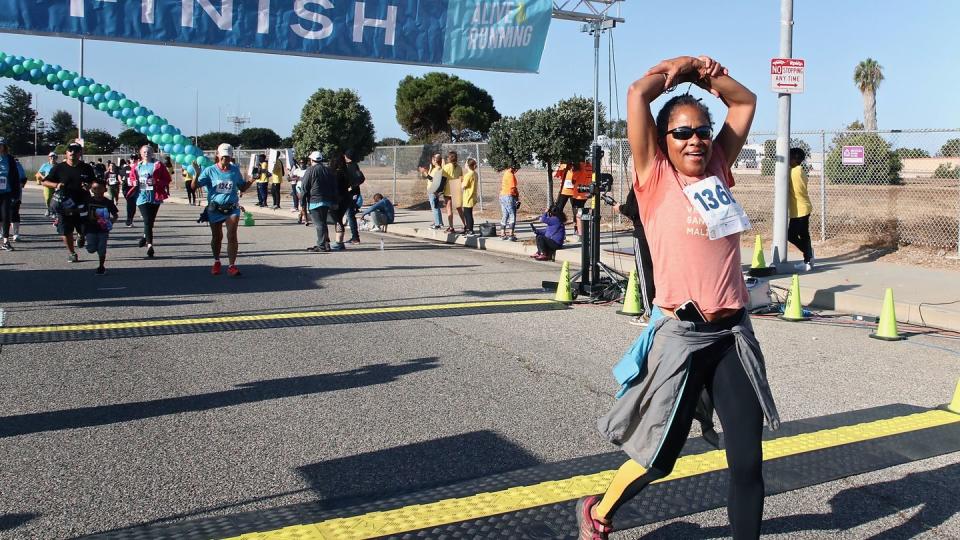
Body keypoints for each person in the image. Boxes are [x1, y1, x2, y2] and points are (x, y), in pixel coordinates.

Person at [577, 56, 780, 540]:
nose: (695, 140)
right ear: (663, 140)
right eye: (682, 132)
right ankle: (599, 512)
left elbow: (745, 100)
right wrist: (680, 67)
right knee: (659, 458)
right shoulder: (654, 177)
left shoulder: (719, 167)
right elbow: (637, 94)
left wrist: (706, 77)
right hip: (681, 336)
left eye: (702, 130)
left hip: (732, 334)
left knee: (747, 462)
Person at [194, 143, 250, 276]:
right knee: (217, 237)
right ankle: (217, 261)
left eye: (228, 157)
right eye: (223, 156)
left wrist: (252, 179)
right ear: (218, 155)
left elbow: (242, 187)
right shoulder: (210, 171)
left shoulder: (235, 170)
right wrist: (197, 174)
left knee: (232, 235)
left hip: (232, 208)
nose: (226, 159)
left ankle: (232, 266)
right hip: (215, 209)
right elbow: (194, 186)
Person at [41, 140, 96, 262]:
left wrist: (89, 186)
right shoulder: (59, 168)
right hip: (64, 203)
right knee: (65, 230)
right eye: (70, 150)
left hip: (82, 203)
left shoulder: (86, 168)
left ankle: (81, 235)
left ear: (80, 153)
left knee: (84, 228)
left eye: (76, 151)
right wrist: (56, 185)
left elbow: (93, 181)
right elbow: (44, 181)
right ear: (66, 153)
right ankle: (72, 252)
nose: (72, 153)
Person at [618, 188, 656, 322]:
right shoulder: (662, 180)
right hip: (660, 232)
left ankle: (649, 313)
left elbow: (632, 209)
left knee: (645, 274)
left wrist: (620, 208)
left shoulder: (640, 184)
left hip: (642, 233)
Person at [129, 145, 171, 258]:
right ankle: (150, 246)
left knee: (150, 221)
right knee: (147, 220)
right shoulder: (137, 166)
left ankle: (144, 236)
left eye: (148, 152)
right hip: (141, 197)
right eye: (144, 152)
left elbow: (167, 179)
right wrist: (134, 183)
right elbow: (131, 178)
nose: (146, 153)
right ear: (141, 153)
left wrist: (156, 182)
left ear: (152, 153)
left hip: (155, 196)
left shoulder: (158, 165)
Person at [300, 151, 339, 252]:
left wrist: (302, 203)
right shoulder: (328, 170)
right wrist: (334, 201)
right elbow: (334, 186)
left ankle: (321, 245)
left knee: (319, 224)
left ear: (312, 160)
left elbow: (304, 188)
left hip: (315, 201)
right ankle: (326, 244)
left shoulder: (310, 170)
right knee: (323, 223)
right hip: (327, 200)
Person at [84, 179, 119, 275]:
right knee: (91, 249)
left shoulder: (108, 202)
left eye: (100, 188)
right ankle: (84, 241)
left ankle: (101, 266)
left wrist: (111, 221)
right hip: (90, 229)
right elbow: (82, 213)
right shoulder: (88, 201)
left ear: (105, 190)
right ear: (91, 190)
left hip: (103, 229)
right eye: (95, 188)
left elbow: (115, 215)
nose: (97, 191)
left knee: (102, 248)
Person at [788, 147, 815, 270]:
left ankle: (808, 255)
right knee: (804, 235)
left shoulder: (793, 172)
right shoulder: (801, 170)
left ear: (794, 159)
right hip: (803, 207)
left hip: (799, 210)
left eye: (789, 157)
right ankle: (808, 260)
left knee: (791, 236)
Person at [0, 138, 23, 251]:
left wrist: (16, 193)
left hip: (6, 192)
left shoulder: (9, 159)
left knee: (6, 217)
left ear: (4, 146)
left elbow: (14, 177)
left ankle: (5, 241)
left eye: (1, 145)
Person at [328, 154, 354, 251]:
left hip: (337, 199)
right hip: (346, 198)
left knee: (337, 220)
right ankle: (339, 242)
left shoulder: (335, 174)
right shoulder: (345, 172)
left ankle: (339, 242)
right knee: (338, 219)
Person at [343, 150, 365, 243]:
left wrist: (352, 187)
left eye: (345, 155)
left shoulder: (352, 166)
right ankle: (355, 237)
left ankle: (355, 237)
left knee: (350, 215)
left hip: (352, 195)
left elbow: (361, 178)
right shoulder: (351, 165)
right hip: (352, 194)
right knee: (350, 215)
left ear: (347, 156)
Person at [442, 150, 464, 232]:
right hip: (456, 188)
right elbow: (461, 179)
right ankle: (465, 225)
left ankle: (451, 227)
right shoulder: (459, 167)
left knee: (449, 209)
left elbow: (443, 179)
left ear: (449, 158)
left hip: (448, 190)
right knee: (459, 209)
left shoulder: (446, 167)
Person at [421, 153, 444, 229]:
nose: (431, 161)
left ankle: (437, 224)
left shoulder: (437, 169)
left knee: (435, 207)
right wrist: (429, 169)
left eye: (432, 160)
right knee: (436, 206)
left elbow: (433, 179)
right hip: (433, 190)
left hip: (433, 190)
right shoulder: (435, 168)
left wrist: (425, 174)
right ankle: (439, 222)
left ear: (435, 160)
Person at [498, 166, 519, 241]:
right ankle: (511, 234)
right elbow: (513, 188)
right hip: (509, 196)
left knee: (505, 215)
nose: (516, 170)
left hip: (502, 196)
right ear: (513, 167)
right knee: (512, 215)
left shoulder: (506, 173)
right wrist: (517, 196)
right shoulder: (511, 175)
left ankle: (502, 234)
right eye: (516, 169)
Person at [36, 151, 58, 216]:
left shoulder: (58, 165)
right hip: (47, 184)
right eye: (51, 156)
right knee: (48, 198)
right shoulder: (45, 165)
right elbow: (39, 172)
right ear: (49, 157)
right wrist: (43, 177)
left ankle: (54, 211)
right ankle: (48, 209)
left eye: (54, 156)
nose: (52, 158)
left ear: (56, 158)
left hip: (56, 184)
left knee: (55, 198)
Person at [461, 157, 478, 236]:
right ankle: (469, 229)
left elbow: (464, 186)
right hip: (473, 196)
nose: (464, 164)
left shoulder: (468, 175)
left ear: (468, 165)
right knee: (469, 213)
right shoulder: (475, 173)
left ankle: (470, 230)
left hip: (468, 196)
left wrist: (461, 182)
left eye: (465, 163)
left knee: (467, 214)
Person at [121, 155, 138, 227]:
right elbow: (120, 175)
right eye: (132, 158)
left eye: (135, 159)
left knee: (133, 205)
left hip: (136, 189)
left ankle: (130, 219)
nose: (133, 160)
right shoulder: (126, 168)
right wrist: (121, 181)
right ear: (129, 159)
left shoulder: (139, 167)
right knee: (130, 204)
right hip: (127, 189)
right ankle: (129, 220)